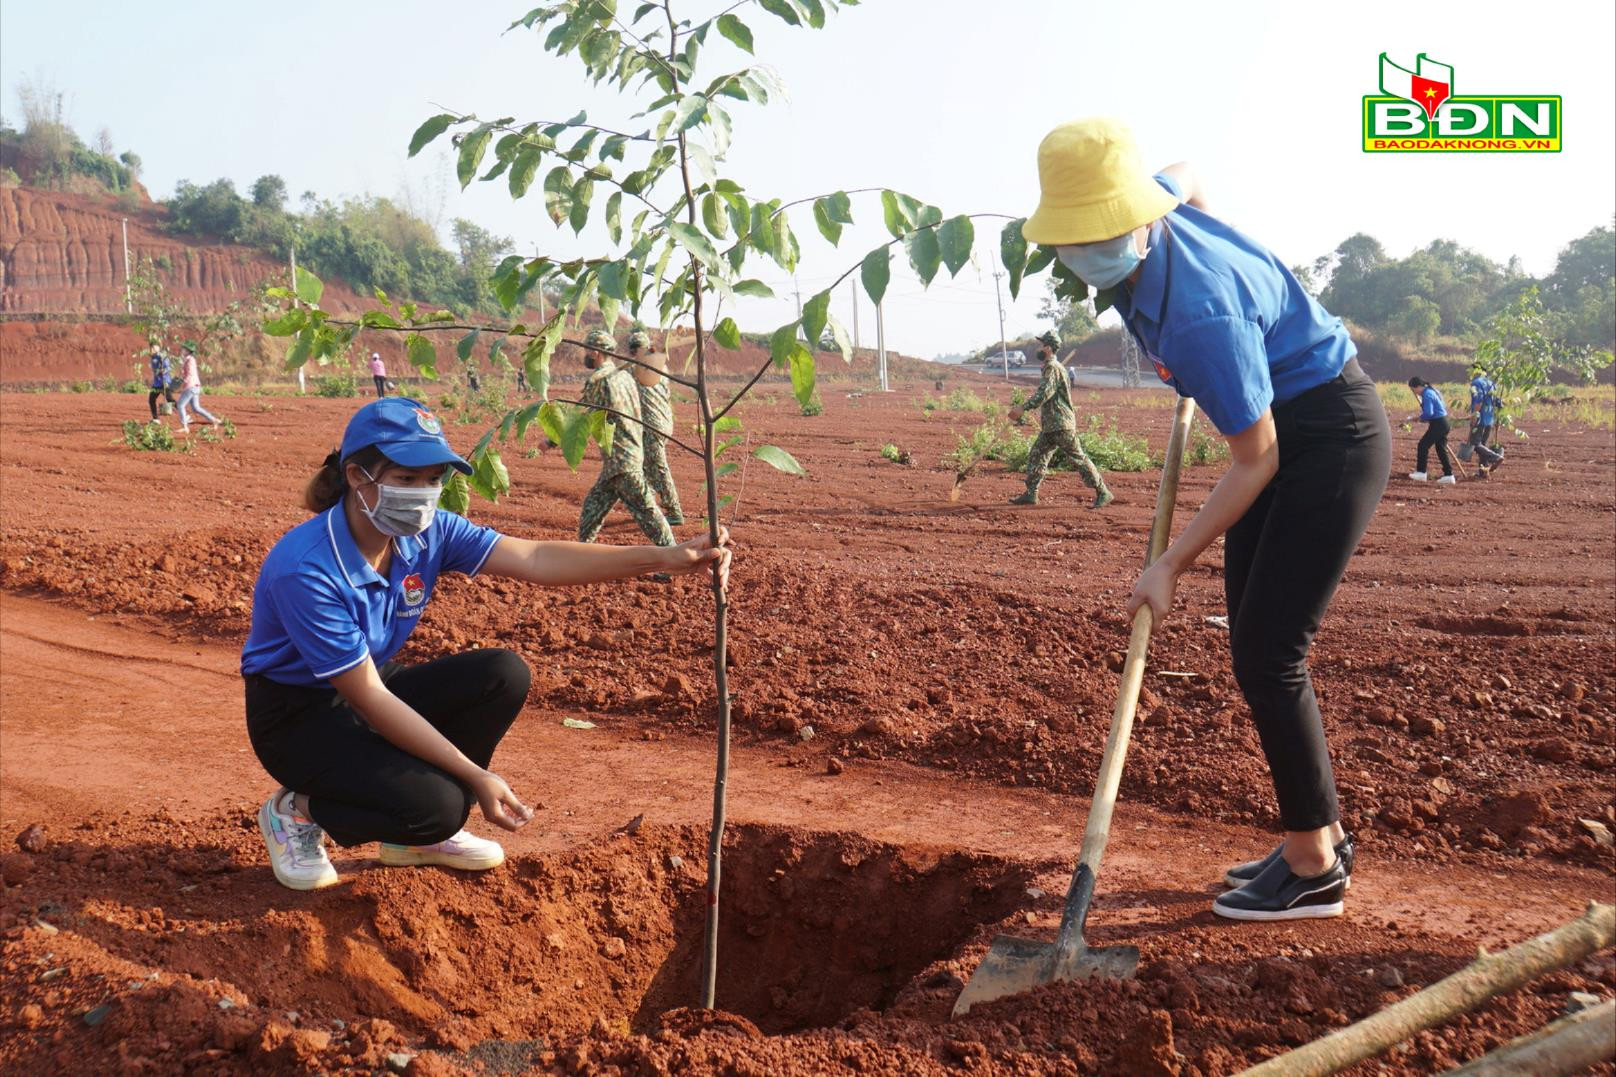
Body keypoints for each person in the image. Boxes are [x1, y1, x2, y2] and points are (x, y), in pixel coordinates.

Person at [1023, 117, 1389, 920]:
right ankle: (1313, 830)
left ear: (1135, 222)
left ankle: (1315, 864)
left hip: (1327, 438)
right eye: (1076, 236)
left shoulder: (1200, 318)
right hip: (1286, 426)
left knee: (1269, 651)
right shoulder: (1163, 210)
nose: (1088, 250)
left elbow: (1254, 457)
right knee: (1255, 643)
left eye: (1103, 233)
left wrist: (1169, 564)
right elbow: (1186, 172)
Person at [240, 397, 729, 891]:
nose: (424, 494)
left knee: (502, 674)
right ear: (357, 476)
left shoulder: (428, 534)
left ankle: (417, 839)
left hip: (369, 684)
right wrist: (476, 776)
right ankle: (298, 811)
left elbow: (536, 558)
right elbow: (370, 698)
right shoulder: (307, 569)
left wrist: (665, 558)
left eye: (434, 480)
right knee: (438, 808)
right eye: (407, 479)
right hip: (298, 717)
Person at [577, 329, 676, 546]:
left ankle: (672, 558)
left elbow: (581, 418)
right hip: (621, 459)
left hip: (622, 462)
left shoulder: (599, 380)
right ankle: (582, 554)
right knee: (591, 512)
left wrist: (550, 441)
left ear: (595, 352)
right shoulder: (626, 377)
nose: (584, 354)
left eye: (586, 350)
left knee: (648, 513)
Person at [1007, 330, 1113, 508]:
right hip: (1051, 425)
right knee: (1037, 454)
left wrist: (1022, 408)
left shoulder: (1053, 368)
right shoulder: (1051, 367)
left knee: (1078, 458)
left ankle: (1103, 491)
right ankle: (1031, 493)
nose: (1039, 349)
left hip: (1061, 424)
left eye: (1042, 345)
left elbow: (1044, 393)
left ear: (1048, 348)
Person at [626, 330, 685, 526]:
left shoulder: (636, 369)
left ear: (635, 352)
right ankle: (648, 507)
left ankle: (674, 511)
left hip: (651, 425)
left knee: (658, 468)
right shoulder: (662, 367)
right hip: (664, 422)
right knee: (645, 465)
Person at [1405, 377, 1456, 484]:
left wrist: (1418, 418)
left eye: (1414, 390)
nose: (1415, 393)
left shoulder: (1427, 394)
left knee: (1423, 445)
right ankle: (1449, 475)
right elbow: (1441, 406)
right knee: (1440, 448)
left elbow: (1429, 413)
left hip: (1438, 424)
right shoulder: (1432, 391)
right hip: (1443, 422)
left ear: (1418, 387)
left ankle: (1421, 472)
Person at [1463, 366, 1505, 475]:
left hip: (1480, 418)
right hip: (1489, 418)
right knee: (1482, 445)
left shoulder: (1476, 383)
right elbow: (1499, 403)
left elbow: (1478, 400)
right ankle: (1483, 471)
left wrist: (1475, 416)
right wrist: (1497, 420)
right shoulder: (1492, 384)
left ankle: (1495, 458)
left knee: (1474, 443)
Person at [175, 345, 223, 434]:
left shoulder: (190, 360)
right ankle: (214, 420)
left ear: (188, 351)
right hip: (195, 386)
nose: (182, 350)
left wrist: (182, 382)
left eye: (184, 349)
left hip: (190, 386)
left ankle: (185, 427)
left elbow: (190, 374)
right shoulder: (189, 359)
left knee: (180, 405)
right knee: (196, 408)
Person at [147, 346, 177, 422]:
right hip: (157, 384)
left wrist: (164, 370)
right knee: (151, 399)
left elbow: (168, 367)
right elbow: (155, 370)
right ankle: (155, 419)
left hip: (164, 383)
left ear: (156, 350)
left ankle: (184, 414)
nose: (150, 350)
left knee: (170, 400)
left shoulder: (162, 357)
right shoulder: (153, 358)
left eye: (152, 349)